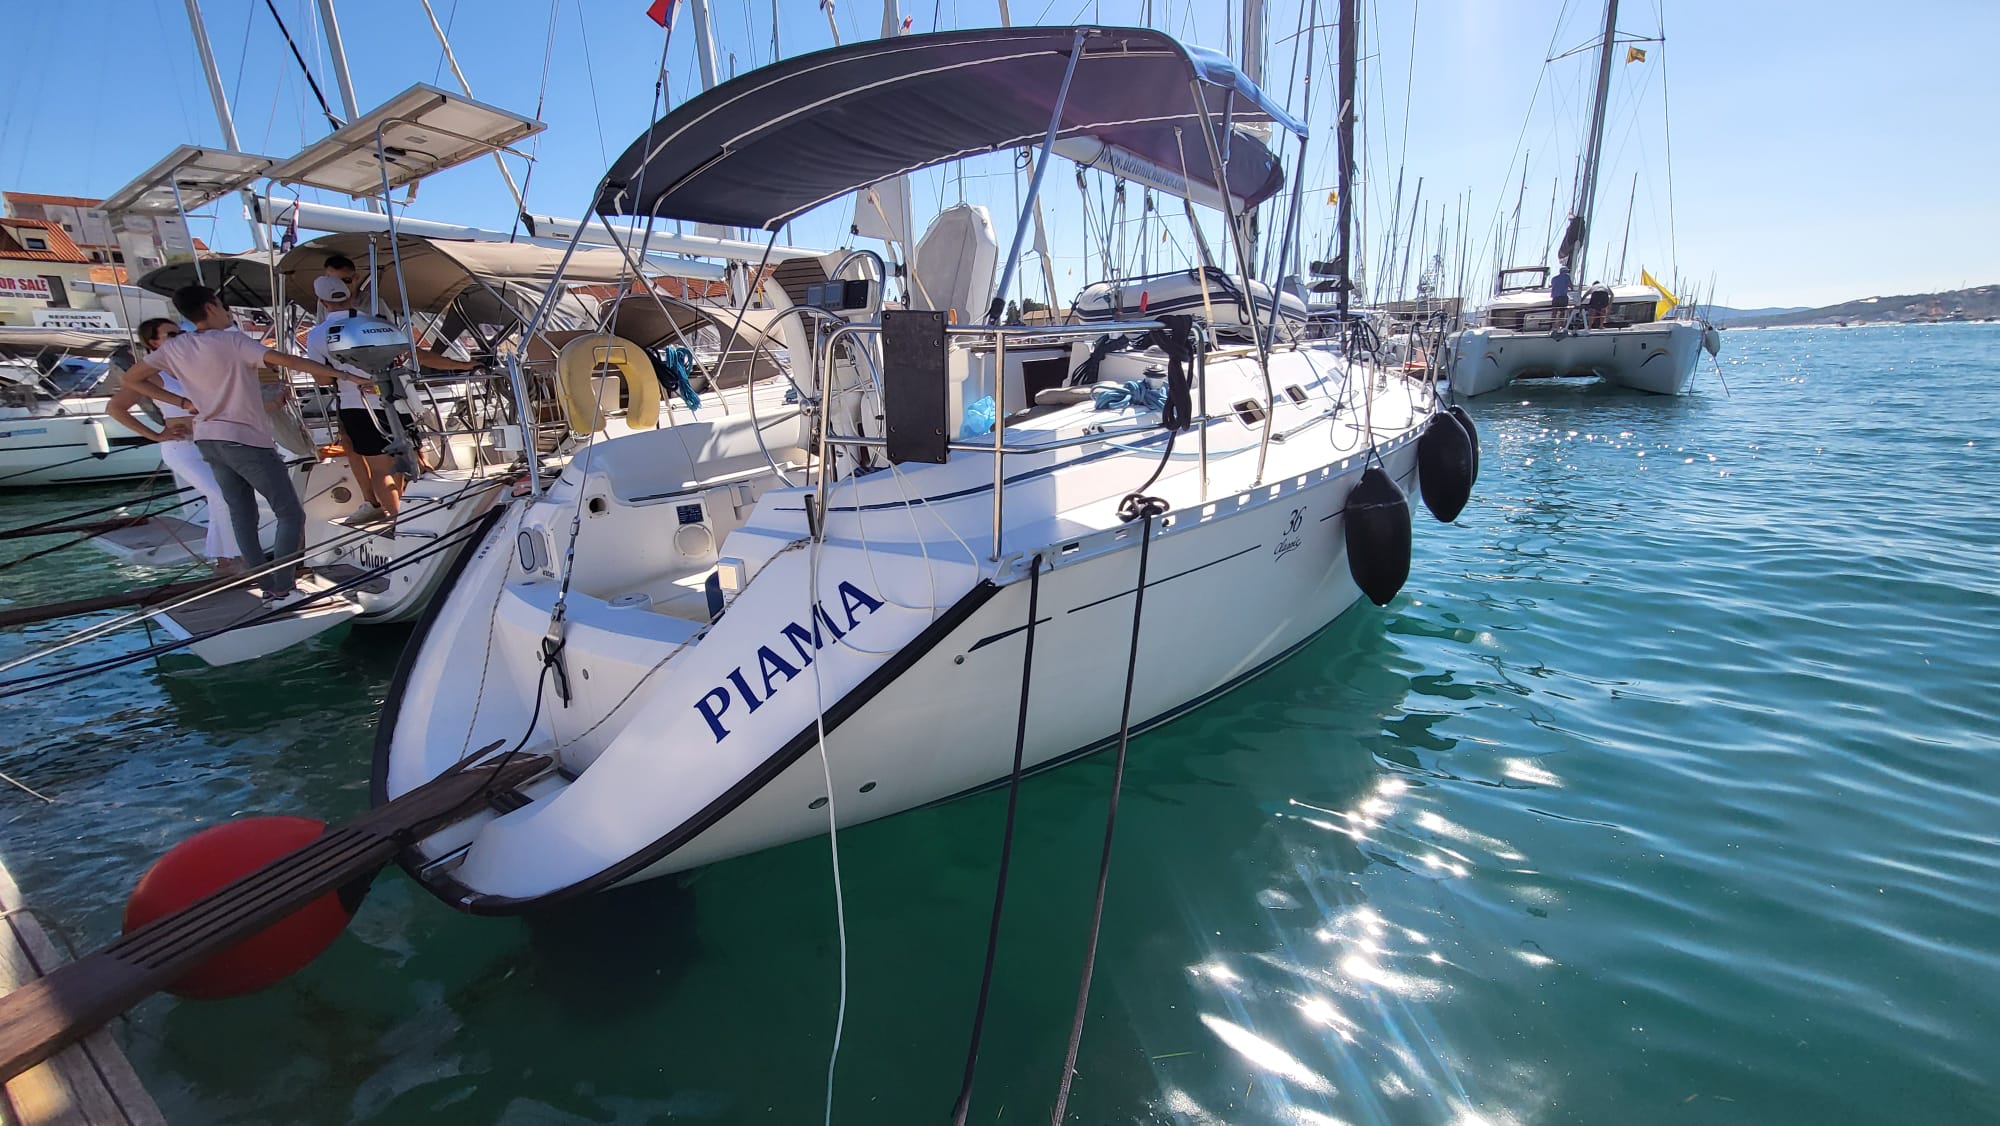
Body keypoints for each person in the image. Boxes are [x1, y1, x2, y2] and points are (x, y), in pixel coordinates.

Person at [123, 285, 370, 607]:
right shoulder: (233, 341)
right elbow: (288, 361)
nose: (228, 313)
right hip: (245, 439)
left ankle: (268, 587)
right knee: (290, 514)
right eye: (223, 306)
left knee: (242, 516)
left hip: (208, 439)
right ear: (211, 307)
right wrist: (346, 376)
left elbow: (131, 379)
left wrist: (182, 402)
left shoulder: (175, 347)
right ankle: (283, 588)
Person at [304, 273, 476, 528]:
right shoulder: (378, 324)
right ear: (349, 296)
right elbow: (416, 355)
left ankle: (398, 522)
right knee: (404, 461)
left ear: (322, 302)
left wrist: (344, 375)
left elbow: (322, 381)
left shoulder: (317, 335)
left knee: (381, 470)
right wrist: (463, 365)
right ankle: (411, 515)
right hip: (397, 402)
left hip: (358, 407)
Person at [103, 318, 242, 572]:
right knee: (223, 496)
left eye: (180, 333)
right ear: (153, 342)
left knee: (219, 500)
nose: (180, 337)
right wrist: (156, 435)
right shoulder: (152, 374)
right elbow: (115, 408)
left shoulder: (192, 367)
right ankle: (234, 557)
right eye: (171, 335)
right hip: (183, 447)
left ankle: (224, 560)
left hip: (212, 443)